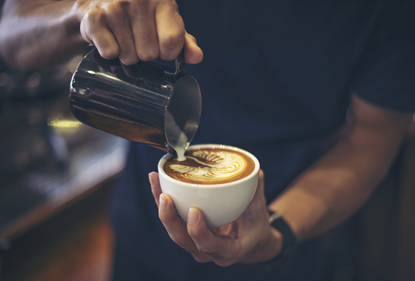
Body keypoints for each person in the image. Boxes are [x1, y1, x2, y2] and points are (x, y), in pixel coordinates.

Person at [1, 0, 414, 280]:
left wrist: (276, 232)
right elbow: (11, 33)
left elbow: (371, 137)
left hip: (290, 238)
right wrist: (82, 12)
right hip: (144, 242)